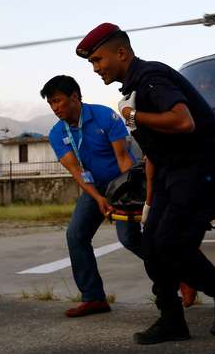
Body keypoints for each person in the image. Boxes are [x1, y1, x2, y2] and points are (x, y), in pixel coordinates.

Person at [76, 22, 215, 344]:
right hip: (175, 171)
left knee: (172, 244)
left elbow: (183, 121)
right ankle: (172, 321)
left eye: (98, 60)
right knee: (153, 244)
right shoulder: (134, 89)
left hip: (203, 167)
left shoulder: (150, 79)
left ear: (122, 52)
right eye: (93, 63)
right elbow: (155, 149)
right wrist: (150, 200)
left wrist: (131, 117)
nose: (96, 68)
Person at [42, 75, 144, 318]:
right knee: (76, 235)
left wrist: (126, 196)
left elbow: (123, 160)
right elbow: (77, 172)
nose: (55, 108)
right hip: (94, 187)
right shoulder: (57, 133)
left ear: (75, 97)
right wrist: (98, 199)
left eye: (58, 101)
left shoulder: (104, 116)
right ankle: (94, 298)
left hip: (122, 183)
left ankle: (182, 274)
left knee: (129, 238)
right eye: (51, 104)